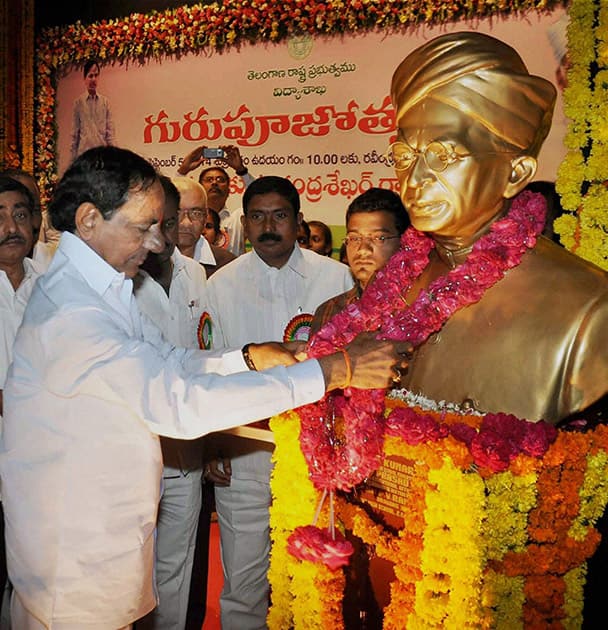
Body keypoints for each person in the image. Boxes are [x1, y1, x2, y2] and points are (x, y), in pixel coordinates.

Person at [0, 146, 406, 629]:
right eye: (143, 227)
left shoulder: (99, 287)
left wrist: (247, 357)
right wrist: (333, 371)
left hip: (98, 543)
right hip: (75, 561)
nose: (156, 243)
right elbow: (178, 403)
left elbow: (167, 363)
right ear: (89, 219)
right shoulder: (74, 312)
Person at [388, 30, 607, 425]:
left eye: (442, 154)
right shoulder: (391, 287)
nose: (414, 178)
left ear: (515, 172)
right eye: (405, 156)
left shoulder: (590, 310)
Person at [205, 176, 355, 629]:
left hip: (316, 458)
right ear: (244, 223)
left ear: (299, 221)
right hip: (244, 451)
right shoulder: (221, 284)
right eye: (258, 216)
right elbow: (209, 368)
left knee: (315, 587)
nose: (268, 226)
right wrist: (214, 443)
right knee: (243, 585)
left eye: (280, 215)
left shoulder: (335, 278)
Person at [133, 175, 209, 630]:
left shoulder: (197, 275)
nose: (162, 230)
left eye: (170, 218)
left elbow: (203, 353)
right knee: (131, 572)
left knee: (177, 568)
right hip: (137, 452)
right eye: (152, 220)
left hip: (188, 451)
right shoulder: (120, 278)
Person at [0, 175, 45, 626]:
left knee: (32, 582)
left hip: (42, 463)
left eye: (18, 214)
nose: (10, 226)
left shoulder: (48, 288)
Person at [311, 188, 410, 336]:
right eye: (355, 238)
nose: (363, 250)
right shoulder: (330, 311)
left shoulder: (418, 306)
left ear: (405, 241)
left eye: (379, 238)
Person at [178, 145, 252, 256]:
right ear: (200, 188)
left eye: (220, 180)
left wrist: (242, 171)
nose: (214, 183)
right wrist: (183, 170)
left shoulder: (238, 218)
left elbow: (262, 196)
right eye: (209, 180)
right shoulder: (187, 218)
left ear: (229, 190)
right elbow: (167, 198)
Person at [172, 176, 236, 278]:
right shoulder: (144, 262)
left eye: (196, 213)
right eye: (177, 213)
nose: (186, 223)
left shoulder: (229, 265)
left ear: (206, 216)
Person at [70, 59, 115, 161]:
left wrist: (116, 157)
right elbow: (74, 135)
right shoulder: (78, 103)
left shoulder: (105, 102)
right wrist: (72, 163)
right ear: (85, 79)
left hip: (102, 156)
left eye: (96, 75)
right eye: (90, 76)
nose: (93, 79)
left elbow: (110, 134)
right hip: (84, 156)